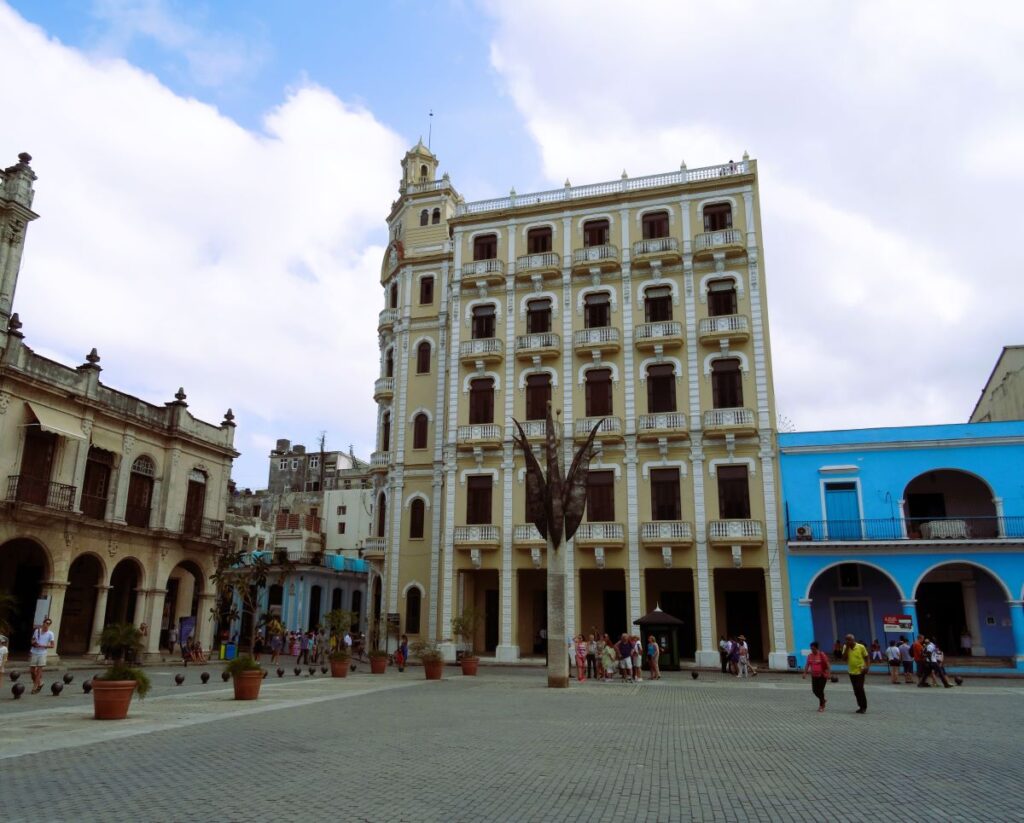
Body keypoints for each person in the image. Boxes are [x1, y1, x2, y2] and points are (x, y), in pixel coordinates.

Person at [842, 633, 870, 713]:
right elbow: (844, 659)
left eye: (849, 640)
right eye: (846, 640)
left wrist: (867, 667)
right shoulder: (845, 647)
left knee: (860, 688)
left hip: (860, 670)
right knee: (856, 690)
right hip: (851, 671)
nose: (847, 641)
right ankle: (860, 706)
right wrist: (847, 648)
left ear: (853, 640)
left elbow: (867, 657)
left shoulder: (861, 647)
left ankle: (864, 707)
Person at [802, 640, 831, 712]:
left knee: (820, 690)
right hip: (814, 676)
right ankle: (823, 700)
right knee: (815, 691)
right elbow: (807, 665)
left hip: (822, 675)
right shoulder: (810, 656)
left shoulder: (821, 655)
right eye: (811, 648)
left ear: (817, 648)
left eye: (813, 648)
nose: (812, 650)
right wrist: (805, 673)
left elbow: (827, 664)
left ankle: (821, 706)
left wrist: (829, 674)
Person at [29, 617, 55, 694]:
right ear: (43, 623)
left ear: (49, 625)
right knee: (32, 671)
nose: (46, 624)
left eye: (48, 623)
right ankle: (40, 682)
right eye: (45, 623)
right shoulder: (37, 631)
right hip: (34, 652)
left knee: (39, 671)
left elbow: (53, 645)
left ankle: (35, 686)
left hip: (42, 653)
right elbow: (32, 639)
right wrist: (34, 643)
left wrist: (43, 646)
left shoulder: (50, 633)